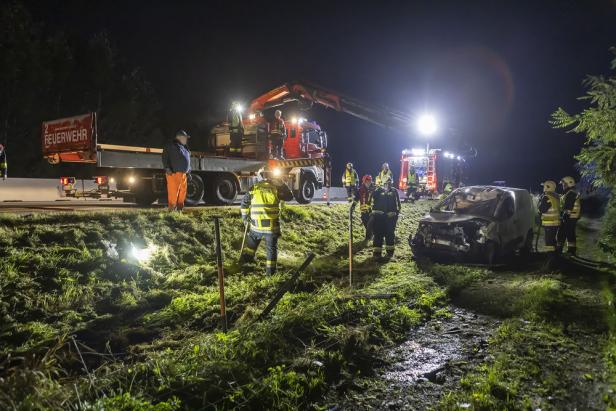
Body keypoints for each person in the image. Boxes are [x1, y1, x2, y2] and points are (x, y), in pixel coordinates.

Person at [239, 166, 294, 275]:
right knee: (271, 251)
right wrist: (282, 183)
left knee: (250, 247)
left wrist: (245, 219)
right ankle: (270, 273)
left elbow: (244, 204)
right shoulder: (276, 188)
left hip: (255, 226)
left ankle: (245, 265)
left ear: (262, 175)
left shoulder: (254, 188)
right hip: (271, 228)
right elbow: (289, 196)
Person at [370, 176, 401, 258]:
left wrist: (395, 213)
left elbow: (398, 205)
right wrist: (375, 212)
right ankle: (377, 254)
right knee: (378, 235)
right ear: (383, 183)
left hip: (390, 218)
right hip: (379, 218)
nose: (389, 184)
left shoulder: (394, 191)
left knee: (390, 235)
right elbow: (370, 202)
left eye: (390, 182)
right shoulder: (377, 191)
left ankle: (390, 253)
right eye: (387, 182)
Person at [162, 130, 191, 211]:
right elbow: (165, 157)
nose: (186, 140)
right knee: (173, 192)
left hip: (183, 174)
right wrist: (167, 168)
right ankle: (172, 209)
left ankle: (180, 209)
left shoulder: (185, 148)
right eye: (185, 138)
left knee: (183, 192)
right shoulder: (171, 145)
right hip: (173, 173)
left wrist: (189, 171)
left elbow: (187, 160)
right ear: (180, 137)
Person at [557, 176, 581, 255]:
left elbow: (568, 208)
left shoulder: (570, 194)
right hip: (570, 217)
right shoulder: (570, 193)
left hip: (569, 217)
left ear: (569, 184)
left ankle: (566, 250)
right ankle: (569, 250)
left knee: (565, 233)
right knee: (567, 233)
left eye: (564, 184)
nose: (563, 185)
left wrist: (563, 217)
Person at [537, 180, 560, 256]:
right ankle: (555, 255)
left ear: (547, 187)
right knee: (553, 240)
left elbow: (542, 209)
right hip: (555, 223)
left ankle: (550, 258)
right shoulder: (556, 197)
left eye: (544, 186)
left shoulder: (547, 197)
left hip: (549, 223)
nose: (543, 188)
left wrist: (540, 202)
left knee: (549, 242)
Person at [359, 174, 375, 240]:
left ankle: (369, 237)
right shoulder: (362, 189)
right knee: (366, 222)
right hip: (364, 209)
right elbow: (360, 199)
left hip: (371, 209)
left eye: (370, 180)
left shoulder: (372, 188)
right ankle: (370, 236)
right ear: (364, 181)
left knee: (370, 223)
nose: (369, 182)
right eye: (368, 181)